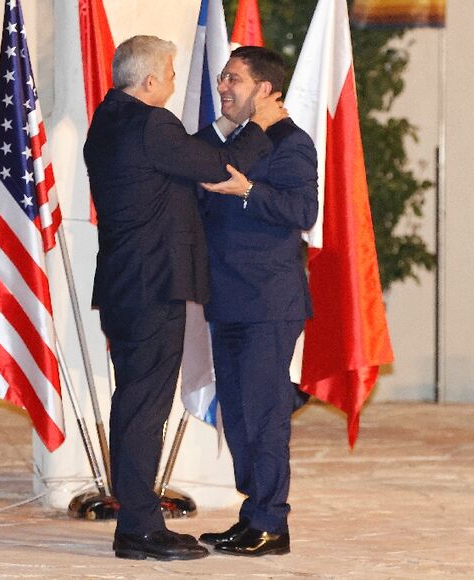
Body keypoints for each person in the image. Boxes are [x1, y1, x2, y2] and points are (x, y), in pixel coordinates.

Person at [83, 35, 287, 561]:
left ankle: (136, 519)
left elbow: (190, 155)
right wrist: (260, 125)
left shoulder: (110, 119)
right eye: (171, 74)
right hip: (154, 285)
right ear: (150, 81)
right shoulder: (152, 124)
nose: (176, 83)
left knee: (134, 402)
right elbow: (218, 168)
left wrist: (224, 134)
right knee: (144, 406)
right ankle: (139, 528)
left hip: (127, 283)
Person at [195, 46, 318, 557]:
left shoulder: (292, 143)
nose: (224, 86)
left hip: (269, 302)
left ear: (266, 89)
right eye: (223, 76)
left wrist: (248, 192)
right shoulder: (240, 139)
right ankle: (254, 515)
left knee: (264, 417)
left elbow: (303, 210)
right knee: (242, 416)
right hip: (227, 298)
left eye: (236, 79)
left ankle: (272, 524)